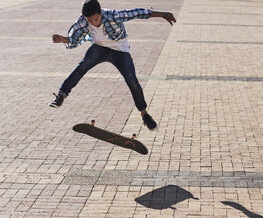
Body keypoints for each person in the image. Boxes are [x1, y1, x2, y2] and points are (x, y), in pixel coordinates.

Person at [49, 0, 176, 131]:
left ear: (101, 13)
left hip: (120, 50)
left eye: (96, 19)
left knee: (131, 80)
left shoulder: (114, 15)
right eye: (90, 20)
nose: (93, 23)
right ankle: (61, 96)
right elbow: (75, 40)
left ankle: (144, 114)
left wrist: (164, 14)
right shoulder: (82, 21)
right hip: (99, 48)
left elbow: (138, 13)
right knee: (82, 67)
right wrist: (63, 39)